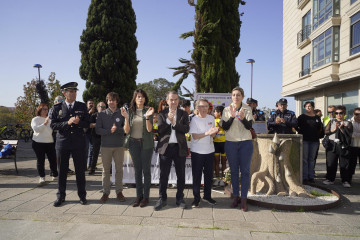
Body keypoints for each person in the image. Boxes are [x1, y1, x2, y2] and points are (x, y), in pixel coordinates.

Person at [49, 82, 90, 207]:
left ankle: (82, 196)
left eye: (75, 91)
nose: (73, 93)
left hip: (78, 142)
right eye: (70, 91)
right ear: (64, 93)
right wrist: (67, 123)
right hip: (63, 143)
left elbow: (87, 123)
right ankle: (61, 196)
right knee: (62, 171)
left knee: (80, 171)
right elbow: (53, 125)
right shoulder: (56, 108)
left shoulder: (82, 106)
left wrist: (78, 122)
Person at [154, 91, 190, 211]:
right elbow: (160, 130)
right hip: (166, 148)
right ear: (167, 101)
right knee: (163, 175)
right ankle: (162, 198)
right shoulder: (162, 114)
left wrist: (174, 123)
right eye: (171, 99)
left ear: (178, 100)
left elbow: (186, 129)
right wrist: (168, 121)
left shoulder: (183, 113)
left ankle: (180, 198)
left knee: (181, 175)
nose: (173, 102)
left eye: (175, 99)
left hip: (179, 148)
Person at [221, 87, 254, 211]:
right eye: (234, 95)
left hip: (245, 143)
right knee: (234, 171)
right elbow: (225, 127)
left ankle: (244, 199)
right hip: (231, 143)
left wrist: (242, 118)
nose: (236, 97)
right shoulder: (226, 110)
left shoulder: (247, 109)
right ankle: (236, 197)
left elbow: (249, 126)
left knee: (245, 172)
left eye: (238, 95)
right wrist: (232, 117)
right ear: (231, 97)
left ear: (242, 96)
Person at [122, 89, 155, 208]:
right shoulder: (130, 112)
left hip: (146, 144)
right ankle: (138, 196)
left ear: (145, 99)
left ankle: (146, 197)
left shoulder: (148, 111)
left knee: (146, 170)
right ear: (134, 99)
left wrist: (147, 117)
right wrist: (126, 118)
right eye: (138, 97)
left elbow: (150, 129)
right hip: (133, 143)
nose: (140, 98)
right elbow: (126, 131)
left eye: (142, 97)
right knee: (137, 170)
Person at [96, 92, 126, 203]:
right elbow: (97, 130)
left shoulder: (122, 113)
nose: (111, 102)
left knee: (119, 170)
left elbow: (127, 129)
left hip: (119, 146)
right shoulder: (102, 114)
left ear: (117, 101)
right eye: (109, 100)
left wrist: (117, 130)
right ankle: (105, 192)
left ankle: (119, 192)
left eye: (113, 100)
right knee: (105, 170)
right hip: (106, 146)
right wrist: (109, 131)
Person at [189, 98, 219, 208]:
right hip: (197, 152)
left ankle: (207, 196)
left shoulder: (211, 118)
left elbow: (213, 135)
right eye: (201, 106)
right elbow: (195, 136)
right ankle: (196, 198)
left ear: (208, 107)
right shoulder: (194, 120)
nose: (204, 109)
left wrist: (214, 133)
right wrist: (207, 133)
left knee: (208, 176)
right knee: (196, 176)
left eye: (206, 106)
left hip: (210, 151)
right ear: (197, 108)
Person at [323, 106, 353, 187]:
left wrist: (342, 129)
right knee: (331, 162)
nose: (338, 115)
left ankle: (345, 180)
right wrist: (334, 129)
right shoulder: (331, 121)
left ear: (344, 114)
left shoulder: (348, 123)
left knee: (344, 163)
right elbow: (326, 132)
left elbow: (349, 135)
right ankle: (330, 179)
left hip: (343, 145)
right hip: (332, 144)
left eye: (341, 113)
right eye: (336, 113)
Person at [31, 103, 58, 185]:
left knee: (53, 160)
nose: (46, 111)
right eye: (44, 109)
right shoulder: (35, 119)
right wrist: (45, 123)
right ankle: (42, 177)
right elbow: (36, 129)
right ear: (40, 110)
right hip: (38, 143)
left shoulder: (50, 119)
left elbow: (55, 129)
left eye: (47, 109)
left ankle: (55, 175)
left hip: (49, 142)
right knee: (40, 160)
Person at [297, 101, 323, 184]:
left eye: (310, 106)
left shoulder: (317, 118)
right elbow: (296, 126)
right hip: (304, 140)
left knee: (311, 159)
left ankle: (311, 176)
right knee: (304, 159)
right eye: (306, 106)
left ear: (313, 107)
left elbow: (320, 129)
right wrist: (300, 131)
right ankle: (304, 177)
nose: (308, 108)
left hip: (314, 141)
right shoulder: (302, 117)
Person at [53, 96, 75, 176]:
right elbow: (53, 124)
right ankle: (55, 170)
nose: (59, 101)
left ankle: (66, 169)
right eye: (58, 100)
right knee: (57, 156)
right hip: (55, 136)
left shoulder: (65, 109)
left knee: (65, 155)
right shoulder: (53, 110)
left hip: (65, 136)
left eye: (61, 100)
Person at [88, 102, 106, 175]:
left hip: (105, 137)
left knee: (106, 154)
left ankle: (109, 168)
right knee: (95, 154)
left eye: (103, 106)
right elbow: (89, 125)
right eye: (100, 106)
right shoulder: (94, 115)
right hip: (96, 137)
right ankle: (92, 168)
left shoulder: (108, 115)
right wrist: (97, 124)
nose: (102, 108)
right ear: (97, 108)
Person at [213, 105, 227, 186]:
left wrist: (221, 126)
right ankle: (217, 178)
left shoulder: (225, 120)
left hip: (224, 143)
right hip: (216, 144)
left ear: (219, 113)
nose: (214, 113)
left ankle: (224, 179)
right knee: (216, 162)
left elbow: (228, 129)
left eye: (215, 112)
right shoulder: (213, 120)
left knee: (224, 162)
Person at [349, 108, 360, 180]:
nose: (358, 116)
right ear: (353, 114)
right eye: (357, 114)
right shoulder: (350, 122)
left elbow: (353, 134)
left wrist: (355, 134)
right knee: (352, 164)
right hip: (352, 146)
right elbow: (350, 134)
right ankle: (348, 179)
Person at [85, 100, 95, 169]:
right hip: (86, 133)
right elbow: (84, 121)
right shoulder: (84, 112)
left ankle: (90, 165)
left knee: (92, 150)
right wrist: (89, 113)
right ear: (87, 105)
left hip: (94, 133)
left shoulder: (96, 112)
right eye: (89, 103)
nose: (91, 104)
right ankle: (84, 166)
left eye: (92, 103)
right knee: (85, 149)